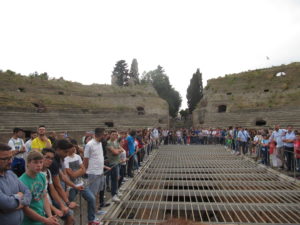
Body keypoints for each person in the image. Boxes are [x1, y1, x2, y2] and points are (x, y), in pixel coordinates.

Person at [19, 151, 59, 225]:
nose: (39, 165)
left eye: (41, 162)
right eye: (35, 162)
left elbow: (44, 197)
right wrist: (45, 220)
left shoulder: (42, 176)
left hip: (41, 217)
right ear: (28, 163)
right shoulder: (21, 181)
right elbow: (25, 208)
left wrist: (50, 217)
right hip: (28, 221)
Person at [64, 141, 98, 223]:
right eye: (72, 147)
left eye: (74, 147)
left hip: (81, 183)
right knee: (69, 206)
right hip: (71, 186)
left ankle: (91, 219)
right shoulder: (65, 159)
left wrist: (76, 173)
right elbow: (71, 175)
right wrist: (79, 171)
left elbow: (84, 169)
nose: (74, 148)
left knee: (91, 199)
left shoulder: (78, 157)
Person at [0, 143, 32, 225]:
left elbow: (28, 192)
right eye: (5, 159)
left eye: (11, 157)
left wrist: (16, 203)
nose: (10, 161)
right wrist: (19, 196)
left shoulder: (11, 174)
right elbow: (5, 203)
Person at [41, 148, 74, 225]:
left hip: (48, 202)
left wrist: (62, 205)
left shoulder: (48, 172)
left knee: (70, 217)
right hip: (41, 205)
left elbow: (53, 190)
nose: (49, 160)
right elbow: (41, 196)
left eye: (51, 158)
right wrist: (55, 209)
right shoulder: (37, 174)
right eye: (47, 157)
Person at [84, 128, 109, 225]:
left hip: (100, 171)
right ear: (100, 134)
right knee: (93, 195)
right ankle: (92, 217)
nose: (105, 136)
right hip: (93, 172)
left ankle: (97, 210)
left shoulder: (100, 144)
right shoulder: (90, 144)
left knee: (98, 192)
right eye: (104, 134)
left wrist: (103, 167)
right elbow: (86, 159)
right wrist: (85, 171)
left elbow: (98, 157)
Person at [106, 131, 124, 202]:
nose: (114, 136)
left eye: (115, 135)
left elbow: (121, 150)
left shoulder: (116, 142)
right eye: (113, 134)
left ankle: (116, 191)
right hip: (112, 163)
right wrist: (117, 151)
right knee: (114, 179)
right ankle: (113, 195)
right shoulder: (108, 143)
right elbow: (115, 152)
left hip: (117, 161)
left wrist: (117, 150)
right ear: (110, 135)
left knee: (117, 178)